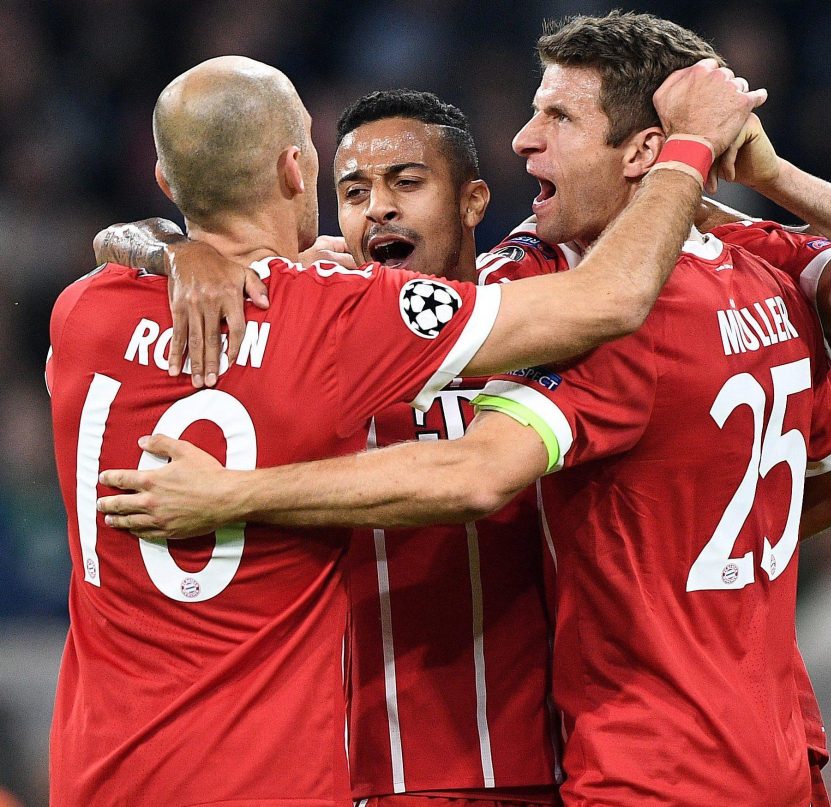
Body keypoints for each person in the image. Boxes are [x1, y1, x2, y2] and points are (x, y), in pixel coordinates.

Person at [50, 52, 763, 806]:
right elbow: (611, 298)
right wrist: (689, 149)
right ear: (300, 171)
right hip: (286, 776)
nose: (378, 209)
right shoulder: (336, 318)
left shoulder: (82, 313)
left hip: (103, 770)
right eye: (352, 189)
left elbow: (118, 250)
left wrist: (167, 243)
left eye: (407, 183)